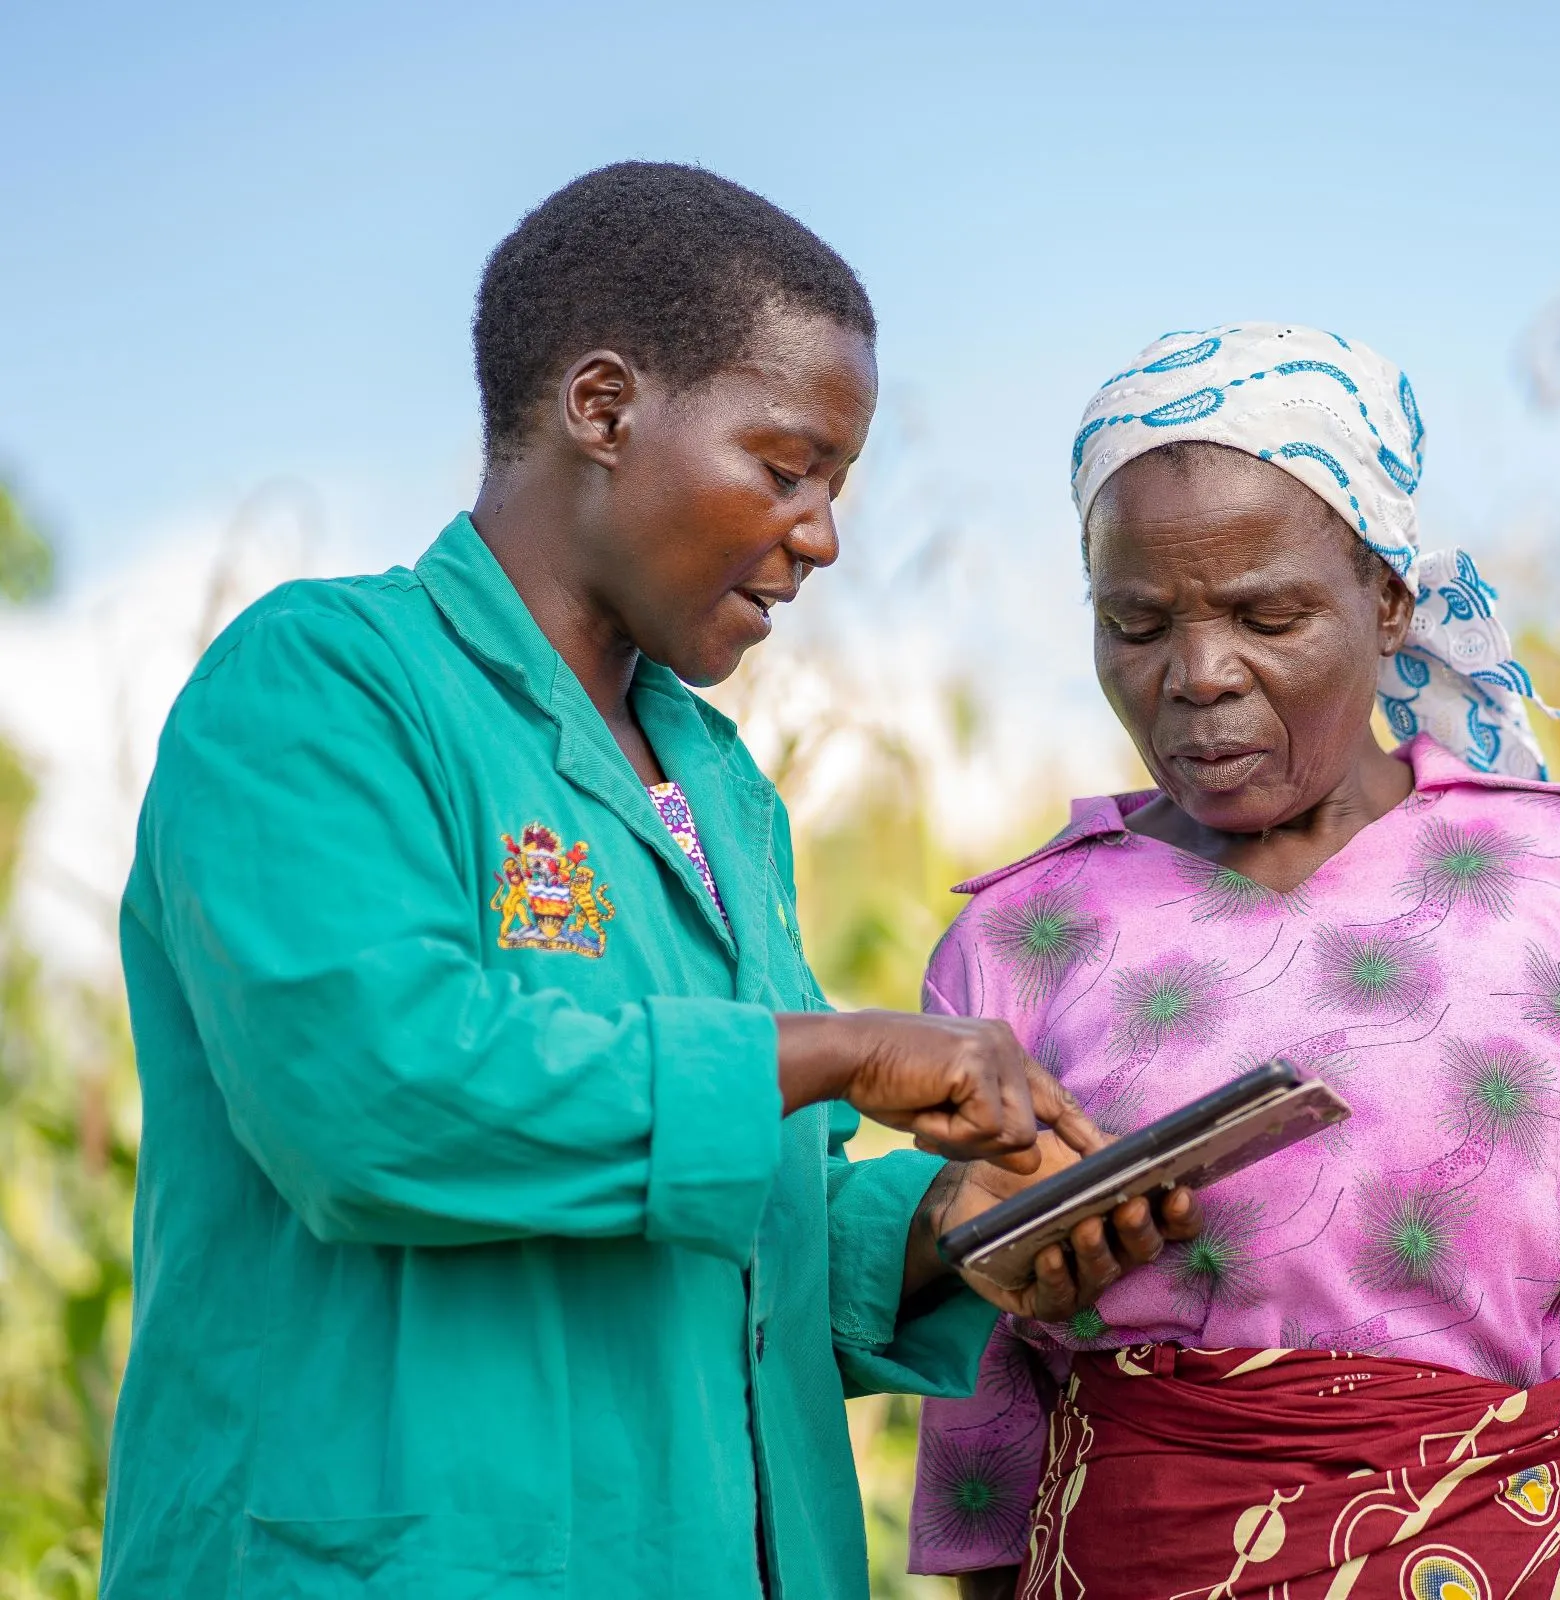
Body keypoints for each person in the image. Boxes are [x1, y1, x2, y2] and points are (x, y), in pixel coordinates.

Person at [97, 163, 1191, 1600]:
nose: (823, 535)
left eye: (839, 487)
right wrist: (844, 1051)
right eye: (785, 467)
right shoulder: (326, 684)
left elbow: (746, 1239)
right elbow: (369, 1099)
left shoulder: (722, 792)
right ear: (603, 409)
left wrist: (948, 1228)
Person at [908, 326, 1560, 1599]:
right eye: (1137, 623)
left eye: (1269, 614)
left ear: (1387, 603)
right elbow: (984, 1423)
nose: (1200, 676)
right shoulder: (1020, 942)